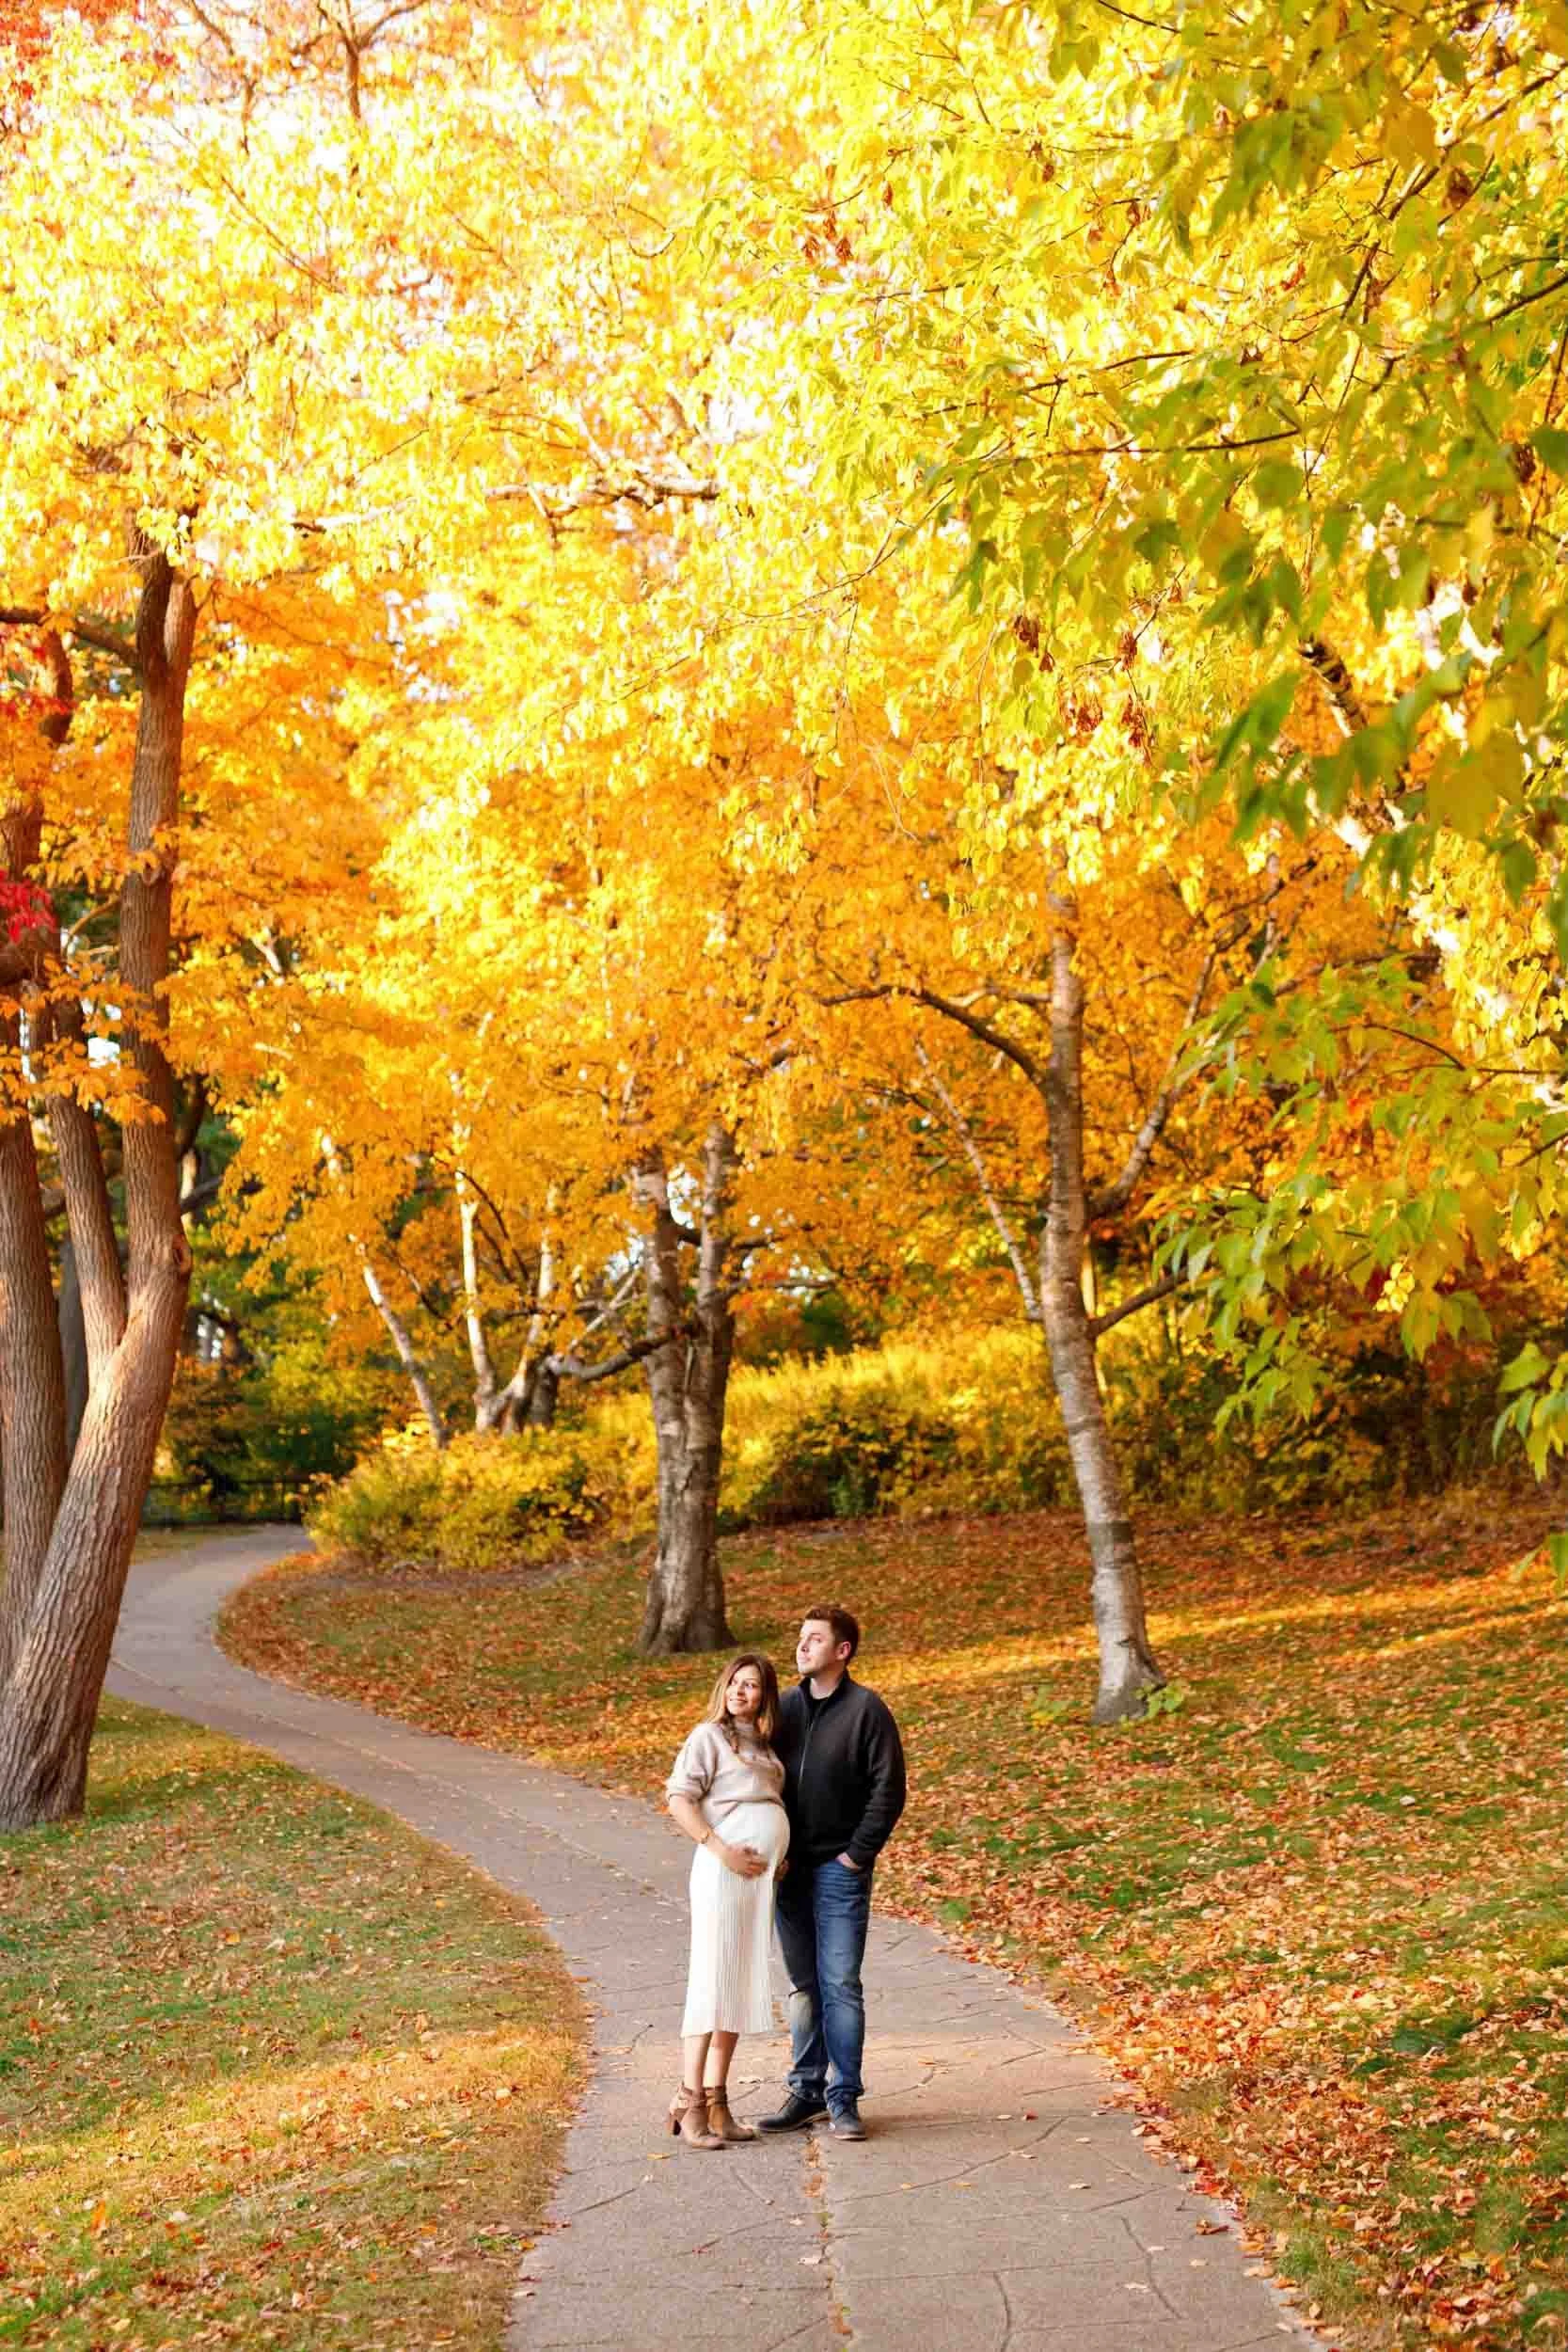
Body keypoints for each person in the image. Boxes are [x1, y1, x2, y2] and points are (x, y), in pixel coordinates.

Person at [758, 1601, 906, 2142]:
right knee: (803, 1986)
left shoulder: (867, 1710)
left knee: (840, 1983)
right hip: (788, 1871)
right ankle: (806, 2091)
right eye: (800, 1638)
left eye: (814, 1639)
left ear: (842, 1651)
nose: (802, 1647)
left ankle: (844, 2098)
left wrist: (857, 1854)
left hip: (839, 1870)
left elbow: (888, 1790)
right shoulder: (785, 1709)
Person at [664, 1651, 790, 2149]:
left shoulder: (765, 1745)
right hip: (721, 1872)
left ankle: (718, 2102)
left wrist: (781, 1851)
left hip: (757, 1881)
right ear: (724, 1687)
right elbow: (679, 1799)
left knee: (735, 1984)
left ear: (765, 1695)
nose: (741, 1691)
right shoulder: (707, 1737)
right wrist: (722, 1849)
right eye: (735, 1682)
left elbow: (769, 1805)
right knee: (712, 1982)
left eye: (753, 1685)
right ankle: (689, 2098)